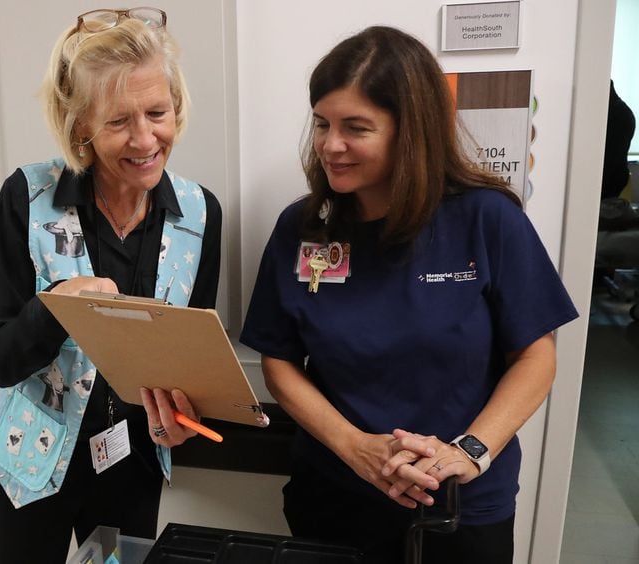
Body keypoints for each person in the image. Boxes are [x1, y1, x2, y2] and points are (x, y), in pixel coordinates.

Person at [240, 26, 578, 564]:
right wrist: (356, 448)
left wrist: (466, 452)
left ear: (411, 131)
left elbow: (536, 357)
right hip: (334, 493)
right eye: (322, 124)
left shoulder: (486, 220)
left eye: (357, 128)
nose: (331, 145)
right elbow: (279, 359)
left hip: (459, 502)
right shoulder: (303, 228)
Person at [0, 8, 221, 563]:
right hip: (27, 467)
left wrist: (186, 415)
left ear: (176, 107)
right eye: (117, 122)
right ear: (79, 123)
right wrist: (55, 307)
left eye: (158, 112)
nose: (145, 138)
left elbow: (192, 355)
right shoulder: (28, 197)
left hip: (128, 470)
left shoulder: (201, 214)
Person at [601, 80, 635, 200]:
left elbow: (610, 164)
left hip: (611, 194)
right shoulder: (622, 112)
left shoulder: (619, 115)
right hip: (614, 188)